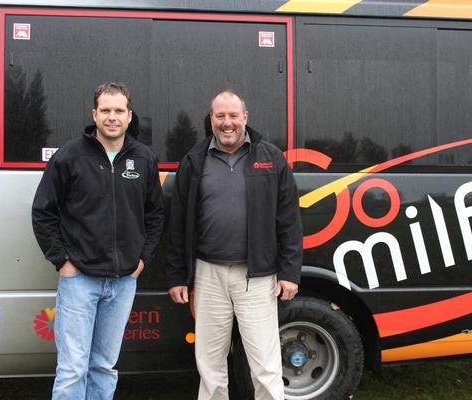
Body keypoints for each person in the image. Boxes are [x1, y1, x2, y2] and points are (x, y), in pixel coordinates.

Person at [166, 90, 303, 400]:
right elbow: (178, 224)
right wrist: (177, 276)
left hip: (256, 278)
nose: (227, 123)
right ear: (211, 120)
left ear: (245, 117)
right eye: (220, 116)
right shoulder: (194, 160)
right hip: (207, 275)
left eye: (232, 116)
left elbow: (290, 220)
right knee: (210, 365)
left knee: (265, 366)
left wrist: (290, 272)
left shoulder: (270, 158)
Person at [32, 82, 164, 400]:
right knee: (72, 368)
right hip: (80, 280)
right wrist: (62, 262)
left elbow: (155, 216)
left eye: (119, 110)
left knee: (104, 366)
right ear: (95, 114)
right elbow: (43, 213)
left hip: (122, 283)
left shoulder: (143, 159)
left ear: (129, 116)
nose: (112, 116)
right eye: (105, 110)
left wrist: (141, 260)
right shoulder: (69, 157)